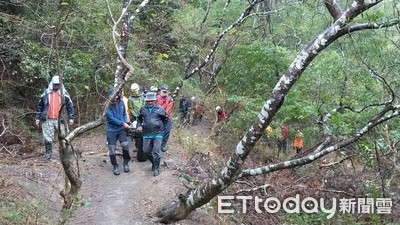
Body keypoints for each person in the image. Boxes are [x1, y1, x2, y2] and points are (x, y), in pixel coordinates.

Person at [35, 75, 74, 161]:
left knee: (63, 137)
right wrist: (37, 118)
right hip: (47, 118)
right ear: (51, 84)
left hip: (60, 119)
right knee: (48, 137)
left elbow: (69, 106)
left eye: (58, 84)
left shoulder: (64, 94)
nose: (56, 86)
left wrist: (71, 118)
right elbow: (40, 106)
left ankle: (64, 154)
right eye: (55, 84)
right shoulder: (46, 93)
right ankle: (48, 154)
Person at [137, 92, 168, 176]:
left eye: (152, 101)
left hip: (158, 133)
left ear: (155, 101)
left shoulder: (160, 109)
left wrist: (160, 127)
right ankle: (154, 163)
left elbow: (165, 119)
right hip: (146, 133)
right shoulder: (143, 109)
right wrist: (139, 126)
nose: (150, 102)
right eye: (148, 101)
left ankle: (156, 168)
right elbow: (139, 118)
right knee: (145, 151)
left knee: (156, 151)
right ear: (146, 101)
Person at [106, 88, 131, 175]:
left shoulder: (121, 102)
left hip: (121, 129)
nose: (115, 99)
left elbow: (124, 113)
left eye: (115, 97)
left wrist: (125, 121)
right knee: (112, 149)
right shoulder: (107, 106)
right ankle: (115, 166)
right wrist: (122, 123)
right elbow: (111, 118)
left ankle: (126, 162)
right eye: (112, 97)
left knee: (125, 145)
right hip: (111, 129)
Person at [157, 85, 173, 152]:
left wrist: (164, 114)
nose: (164, 93)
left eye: (166, 92)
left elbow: (168, 110)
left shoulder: (170, 99)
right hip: (157, 117)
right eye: (163, 92)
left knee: (167, 131)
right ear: (160, 91)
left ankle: (163, 144)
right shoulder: (156, 98)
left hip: (166, 117)